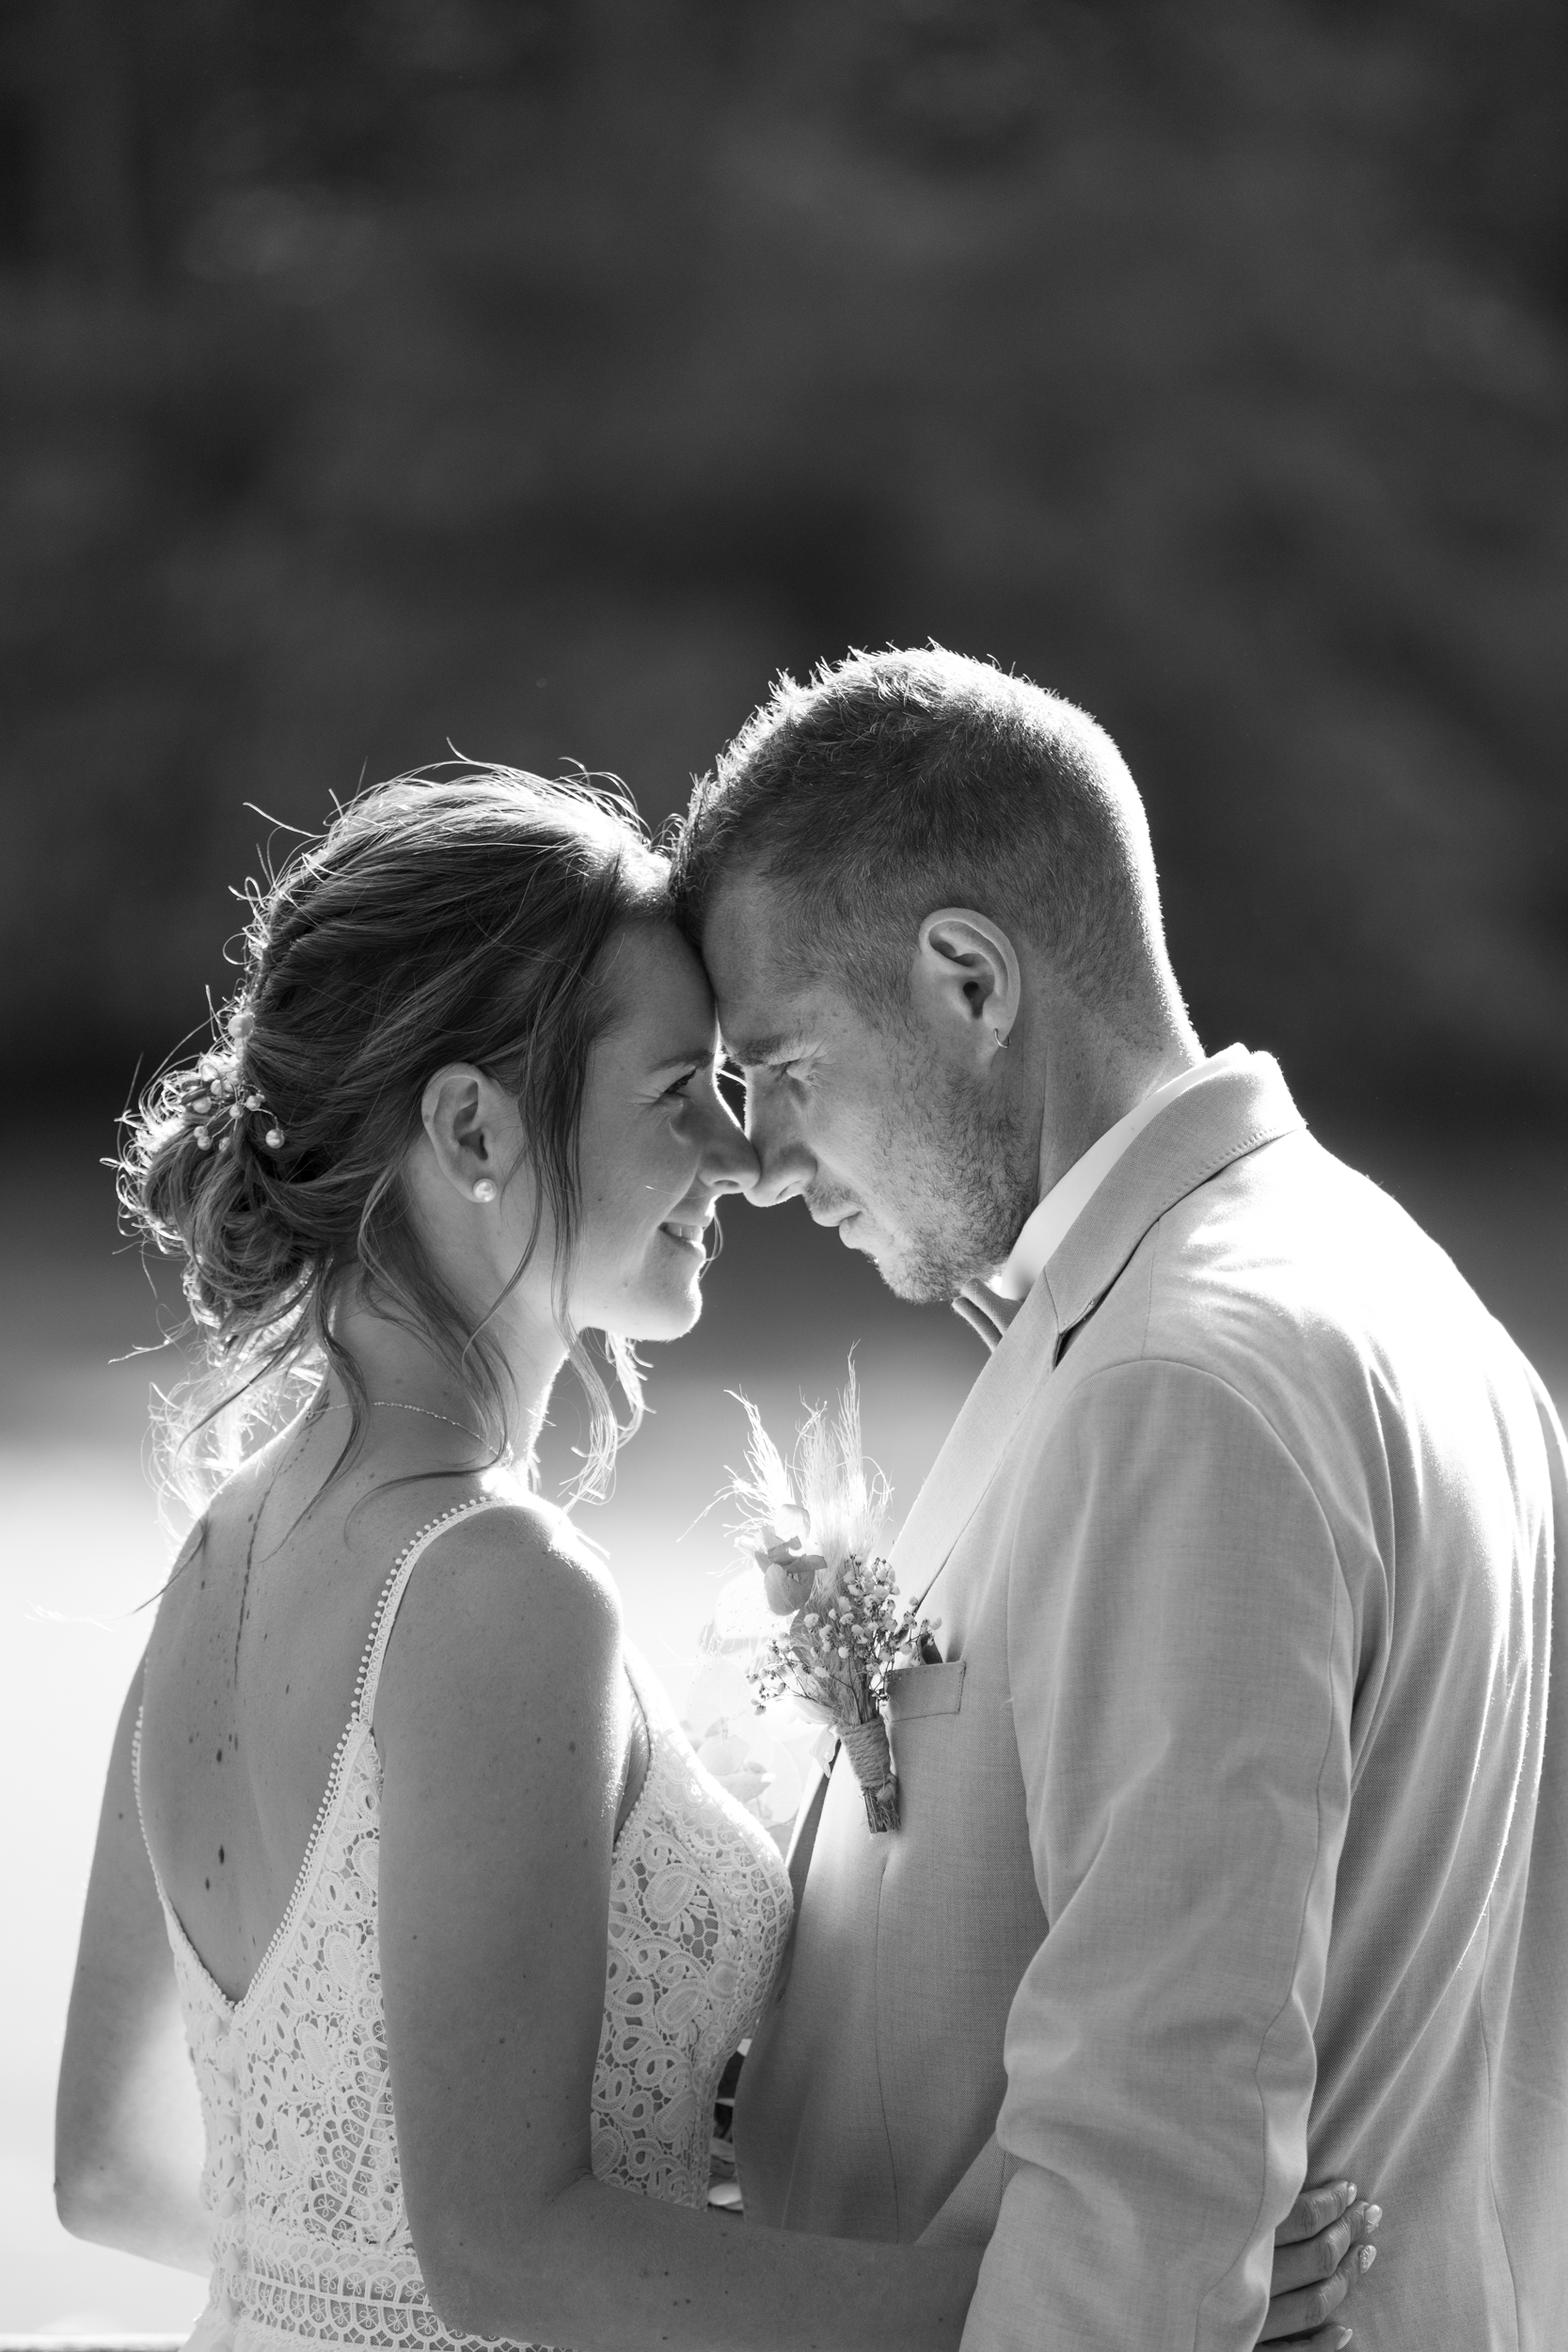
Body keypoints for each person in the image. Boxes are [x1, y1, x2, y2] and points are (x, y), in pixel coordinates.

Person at [55, 769, 1369, 2352]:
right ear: (474, 1125)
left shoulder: (223, 1544)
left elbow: (111, 2171)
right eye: (679, 1086)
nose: (738, 1158)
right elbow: (502, 2256)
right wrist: (1074, 2294)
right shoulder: (494, 1590)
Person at [673, 644, 1566, 2351]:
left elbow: (1151, 2157)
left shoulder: (1180, 1380)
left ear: (967, 981)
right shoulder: (1419, 1304)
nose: (766, 1161)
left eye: (783, 1068)